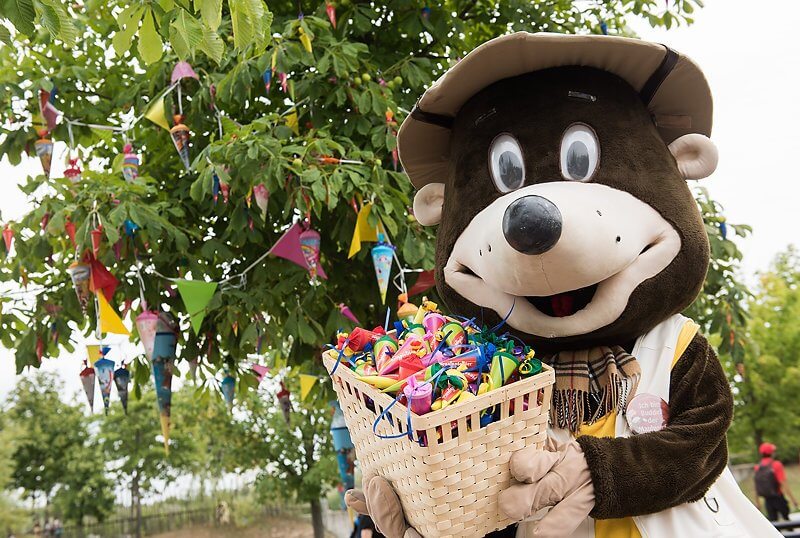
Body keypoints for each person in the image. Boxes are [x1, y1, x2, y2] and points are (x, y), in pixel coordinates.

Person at [754, 442, 798, 521]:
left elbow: (757, 486)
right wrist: (793, 500)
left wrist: (757, 502)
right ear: (771, 453)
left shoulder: (757, 467)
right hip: (779, 498)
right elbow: (783, 483)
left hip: (767, 501)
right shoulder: (776, 464)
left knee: (775, 525)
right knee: (787, 522)